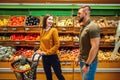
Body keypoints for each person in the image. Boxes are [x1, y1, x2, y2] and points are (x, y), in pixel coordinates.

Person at [74, 5, 100, 80]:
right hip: (83, 61)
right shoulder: (83, 27)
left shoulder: (93, 27)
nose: (77, 15)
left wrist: (87, 64)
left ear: (85, 13)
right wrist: (79, 56)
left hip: (89, 62)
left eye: (79, 13)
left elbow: (95, 47)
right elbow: (83, 46)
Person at [36, 14, 65, 80]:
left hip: (53, 56)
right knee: (48, 76)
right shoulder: (42, 30)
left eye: (52, 20)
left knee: (59, 74)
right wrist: (40, 49)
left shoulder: (54, 30)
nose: (51, 21)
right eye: (49, 19)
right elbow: (42, 42)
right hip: (44, 57)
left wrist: (47, 53)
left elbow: (57, 45)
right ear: (45, 20)